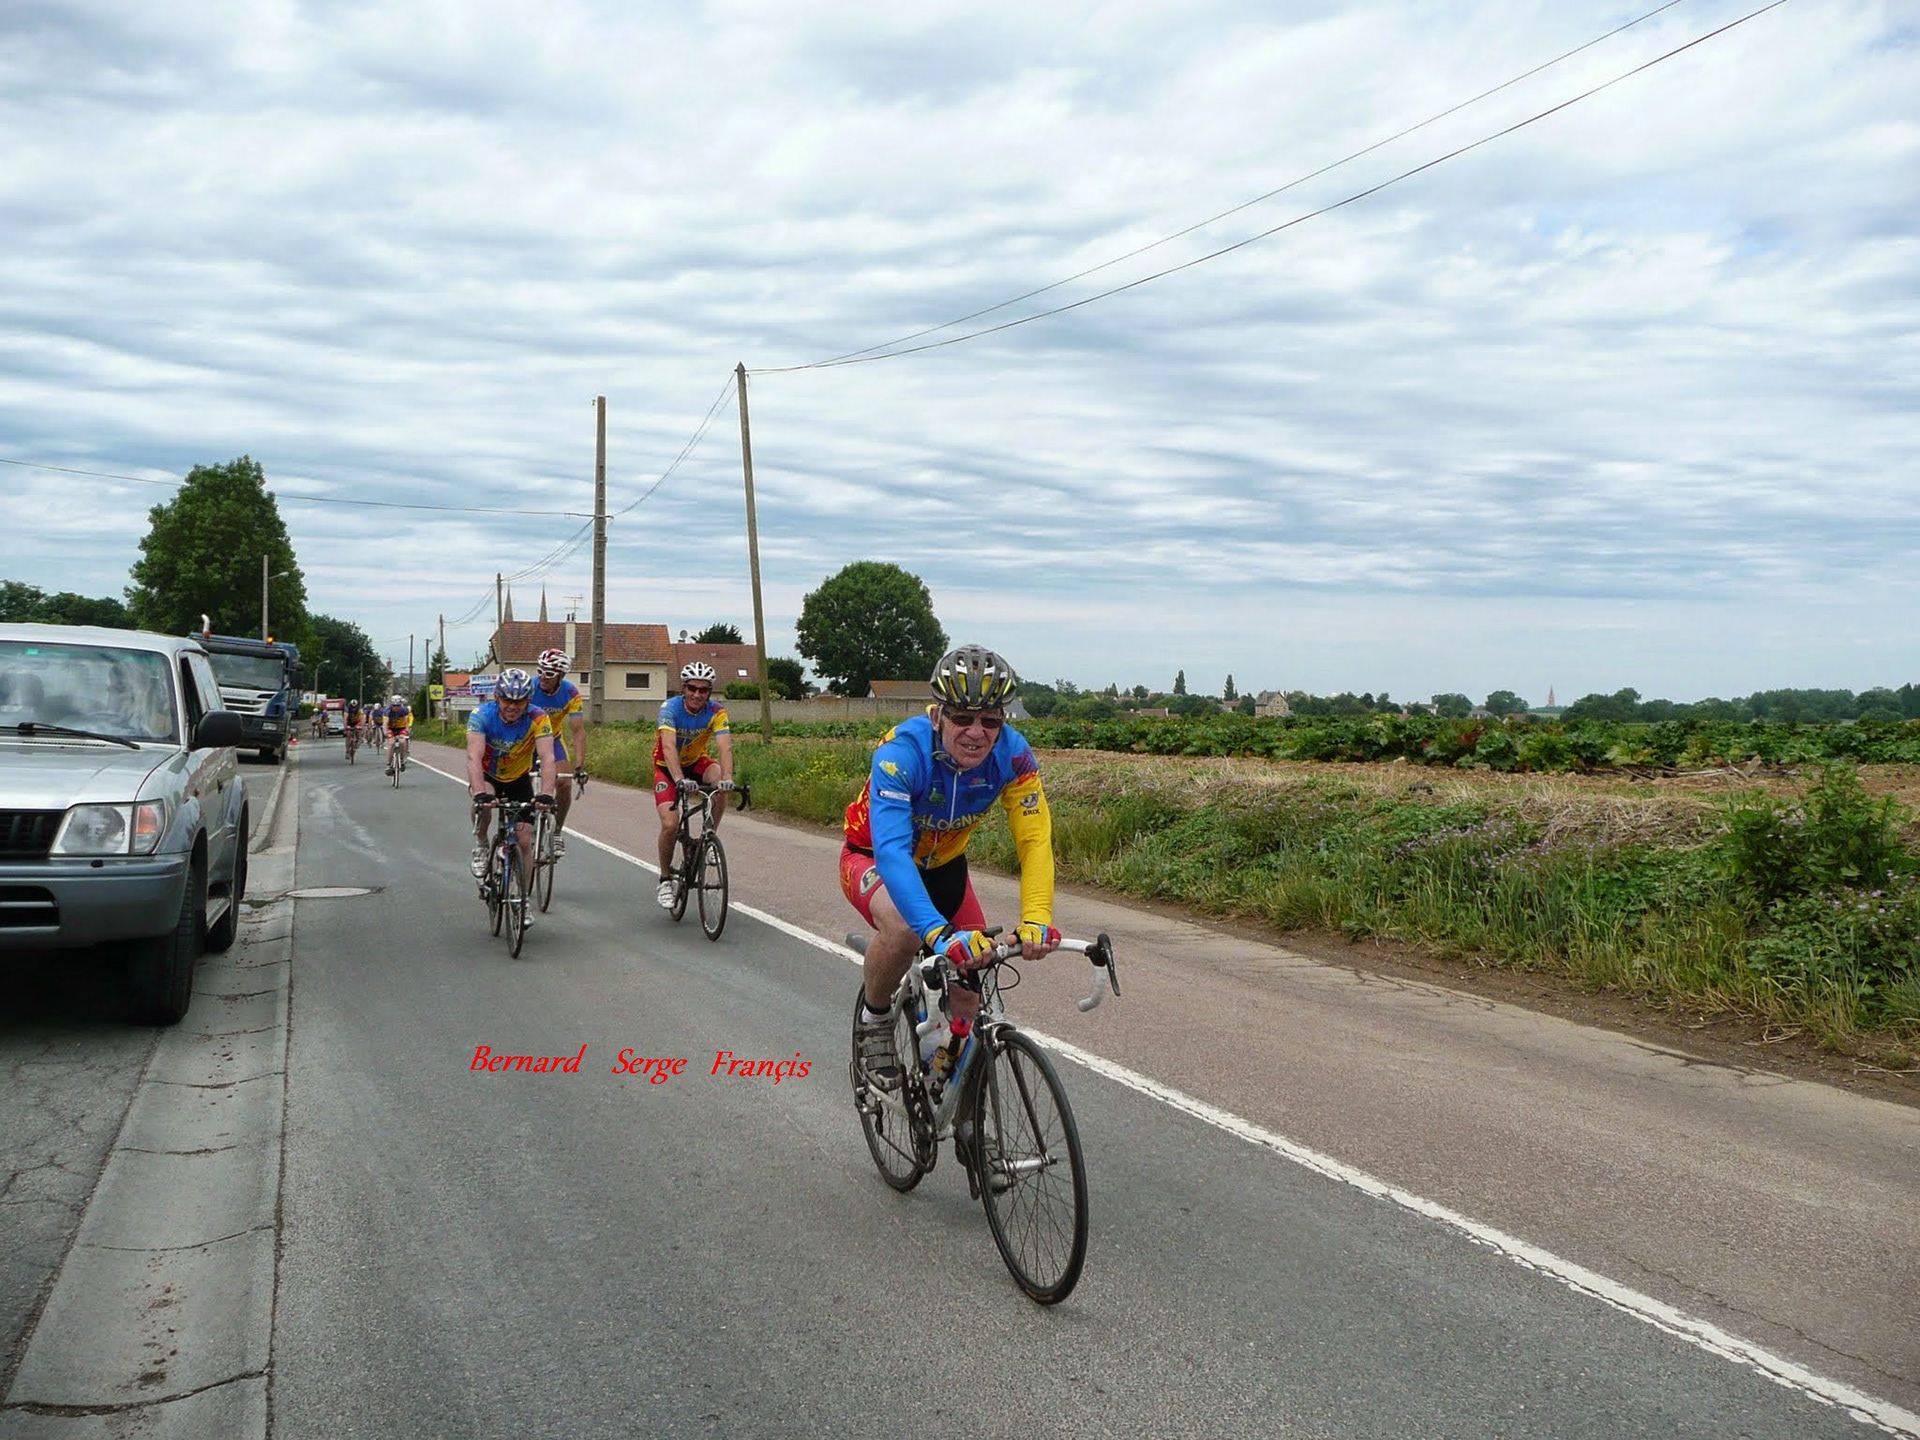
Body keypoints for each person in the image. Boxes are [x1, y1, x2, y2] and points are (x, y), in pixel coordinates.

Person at [842, 644, 1059, 1090]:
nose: (976, 733)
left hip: (946, 866)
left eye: (990, 721)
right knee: (905, 931)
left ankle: (949, 1088)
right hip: (873, 858)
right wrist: (938, 934)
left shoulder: (1014, 756)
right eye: (962, 717)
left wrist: (1037, 918)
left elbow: (1035, 840)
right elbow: (892, 851)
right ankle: (874, 1020)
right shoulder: (901, 753)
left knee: (973, 975)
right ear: (938, 714)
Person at [466, 669, 558, 923]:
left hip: (519, 779)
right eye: (507, 700)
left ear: (528, 700)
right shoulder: (481, 715)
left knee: (525, 840)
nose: (513, 706)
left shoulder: (538, 717)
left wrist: (546, 794)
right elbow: (473, 756)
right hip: (488, 775)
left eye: (519, 701)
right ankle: (481, 843)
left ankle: (523, 900)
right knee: (484, 803)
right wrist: (479, 793)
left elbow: (548, 757)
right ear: (497, 697)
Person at [652, 661, 735, 909]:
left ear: (710, 692)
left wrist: (728, 778)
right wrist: (679, 779)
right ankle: (665, 880)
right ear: (683, 688)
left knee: (720, 781)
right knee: (670, 825)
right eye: (692, 688)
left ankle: (709, 836)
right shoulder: (670, 708)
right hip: (667, 768)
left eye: (703, 689)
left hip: (697, 763)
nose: (697, 694)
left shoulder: (717, 711)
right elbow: (668, 746)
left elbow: (725, 747)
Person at [527, 648, 587, 854]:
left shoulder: (571, 693)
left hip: (552, 740)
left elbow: (578, 731)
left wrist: (579, 767)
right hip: (525, 741)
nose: (543, 677)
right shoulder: (530, 688)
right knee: (521, 782)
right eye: (540, 671)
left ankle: (557, 832)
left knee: (564, 782)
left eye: (549, 673)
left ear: (561, 676)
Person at [384, 693, 412, 775]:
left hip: (401, 728)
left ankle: (402, 760)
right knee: (391, 743)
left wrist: (407, 729)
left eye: (398, 706)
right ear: (391, 705)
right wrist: (385, 732)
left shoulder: (404, 710)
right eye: (394, 705)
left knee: (402, 741)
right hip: (391, 728)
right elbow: (385, 723)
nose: (396, 707)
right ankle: (389, 764)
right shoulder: (387, 711)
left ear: (401, 705)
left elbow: (407, 722)